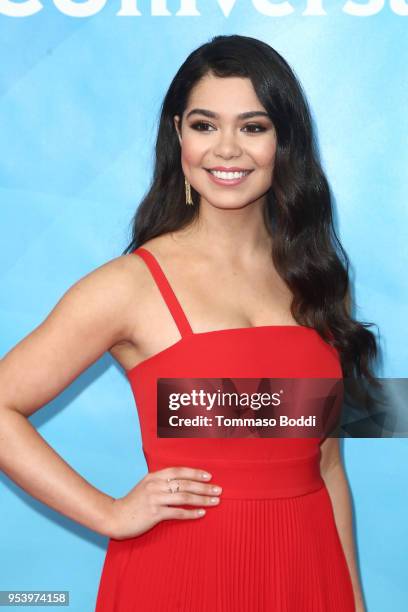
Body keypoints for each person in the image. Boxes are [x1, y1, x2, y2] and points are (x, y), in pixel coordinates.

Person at [0, 35, 378, 611]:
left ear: (285, 141)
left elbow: (327, 464)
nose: (227, 149)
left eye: (253, 127)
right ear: (177, 135)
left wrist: (351, 598)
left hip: (307, 569)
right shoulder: (129, 285)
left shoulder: (321, 281)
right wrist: (110, 512)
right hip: (181, 574)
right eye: (205, 126)